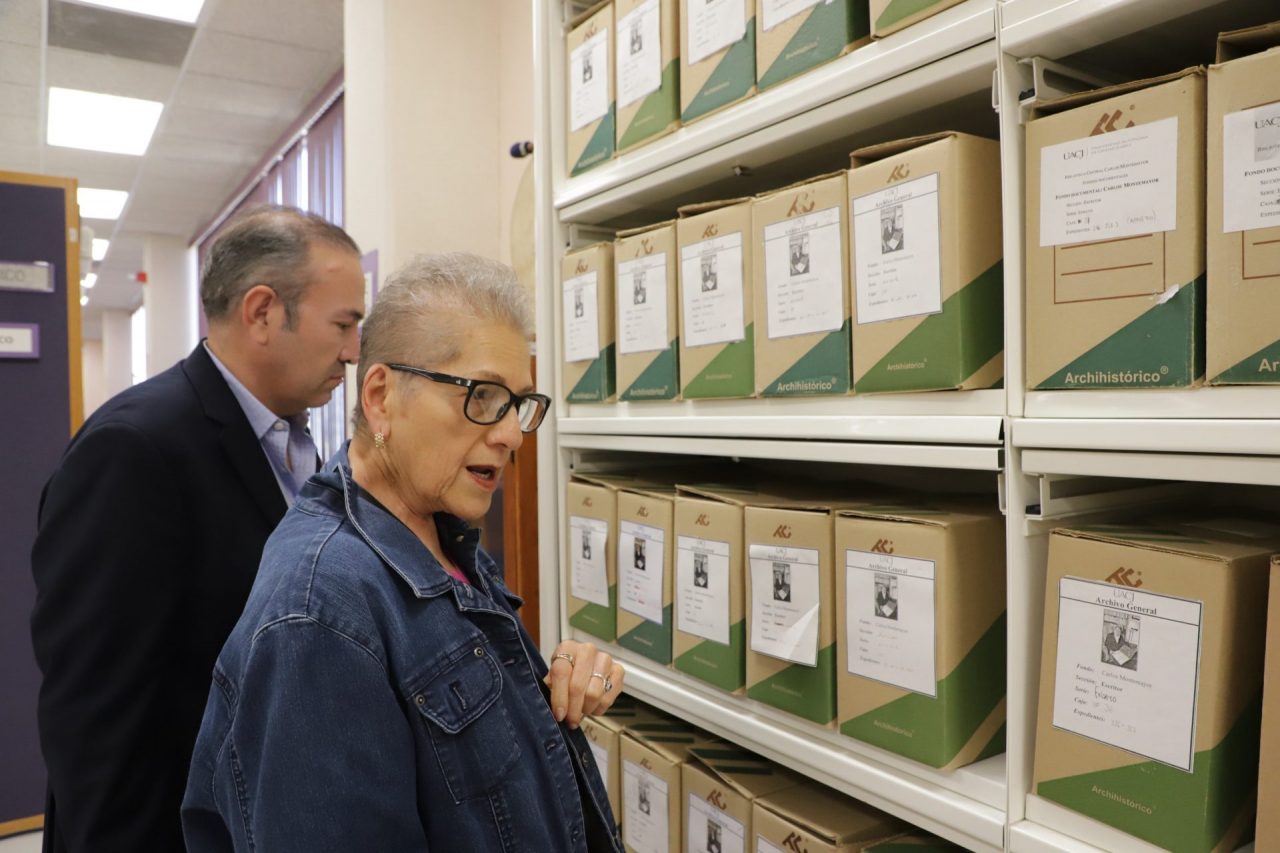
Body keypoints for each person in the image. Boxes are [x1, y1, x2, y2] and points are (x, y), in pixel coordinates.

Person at [182, 253, 627, 852]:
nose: (510, 435)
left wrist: (553, 688)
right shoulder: (319, 614)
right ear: (381, 396)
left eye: (519, 404)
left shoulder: (437, 529)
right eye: (482, 396)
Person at [30, 205, 364, 852]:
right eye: (343, 325)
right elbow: (96, 719)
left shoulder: (296, 443)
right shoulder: (134, 451)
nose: (353, 351)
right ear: (262, 312)